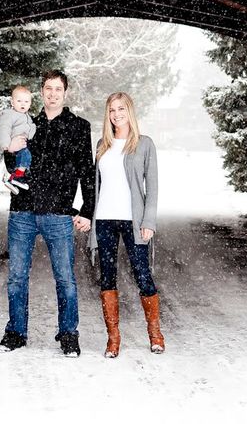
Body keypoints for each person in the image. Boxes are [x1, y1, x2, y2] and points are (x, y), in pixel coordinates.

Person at [0, 69, 95, 357]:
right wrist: (10, 149)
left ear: (65, 93)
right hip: (23, 212)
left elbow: (87, 172)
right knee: (16, 277)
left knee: (65, 278)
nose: (52, 93)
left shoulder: (78, 127)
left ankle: (68, 334)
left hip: (58, 214)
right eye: (48, 88)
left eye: (58, 89)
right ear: (41, 91)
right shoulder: (26, 122)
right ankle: (16, 332)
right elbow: (11, 160)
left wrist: (88, 210)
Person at [89, 92, 165, 358]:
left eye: (121, 109)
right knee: (107, 277)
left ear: (129, 111)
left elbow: (152, 187)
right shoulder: (102, 144)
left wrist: (149, 220)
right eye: (111, 110)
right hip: (105, 220)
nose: (116, 114)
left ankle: (155, 334)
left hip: (133, 220)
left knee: (142, 274)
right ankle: (113, 339)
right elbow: (96, 186)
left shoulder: (144, 144)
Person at [0, 85, 36, 194]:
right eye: (19, 101)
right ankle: (15, 177)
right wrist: (6, 145)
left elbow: (31, 129)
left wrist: (33, 132)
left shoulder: (27, 117)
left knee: (27, 159)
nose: (23, 104)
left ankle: (14, 179)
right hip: (14, 146)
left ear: (30, 104)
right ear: (12, 102)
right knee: (26, 156)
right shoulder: (8, 115)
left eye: (26, 101)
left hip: (22, 145)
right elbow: (4, 128)